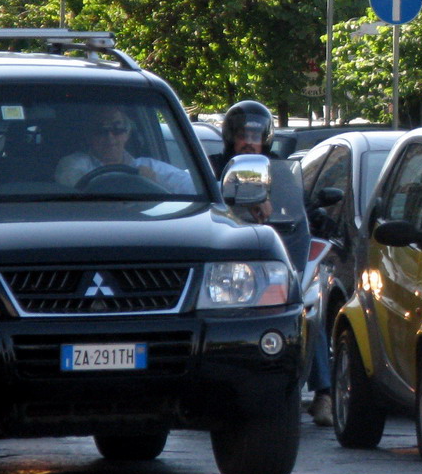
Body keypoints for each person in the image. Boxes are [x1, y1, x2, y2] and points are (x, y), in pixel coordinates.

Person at [216, 101, 330, 426]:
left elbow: (297, 211)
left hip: (278, 260)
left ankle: (325, 394)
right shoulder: (214, 168)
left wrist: (307, 212)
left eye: (255, 135)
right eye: (242, 135)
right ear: (230, 137)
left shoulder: (281, 174)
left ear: (266, 137)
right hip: (233, 267)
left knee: (309, 308)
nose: (248, 141)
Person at [56, 106, 196, 194]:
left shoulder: (148, 167)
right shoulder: (74, 163)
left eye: (117, 128)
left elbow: (192, 186)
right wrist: (140, 185)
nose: (110, 137)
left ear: (127, 134)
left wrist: (154, 184)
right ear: (88, 136)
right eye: (100, 130)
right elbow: (72, 190)